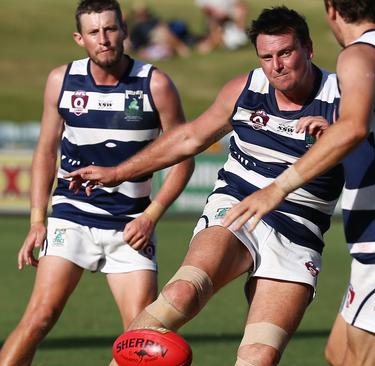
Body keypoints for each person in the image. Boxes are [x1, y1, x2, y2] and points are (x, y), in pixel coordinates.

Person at [68, 6, 342, 365]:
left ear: (308, 49)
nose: (276, 66)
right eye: (267, 56)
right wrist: (118, 172)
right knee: (182, 293)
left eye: (286, 53)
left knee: (258, 357)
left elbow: (371, 157)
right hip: (237, 208)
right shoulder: (245, 89)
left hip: (299, 233)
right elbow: (188, 138)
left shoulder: (342, 98)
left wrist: (335, 139)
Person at [223, 1, 375, 365]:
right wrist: (340, 133)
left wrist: (276, 189)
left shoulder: (359, 55)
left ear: (332, 10)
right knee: (338, 353)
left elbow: (355, 127)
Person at [0, 1, 194, 365]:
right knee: (39, 316)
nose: (103, 39)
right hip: (71, 216)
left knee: (140, 335)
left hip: (131, 225)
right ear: (80, 38)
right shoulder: (61, 80)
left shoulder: (156, 84)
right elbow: (45, 152)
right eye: (94, 32)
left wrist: (151, 216)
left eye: (110, 29)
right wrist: (37, 221)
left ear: (124, 31)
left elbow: (184, 156)